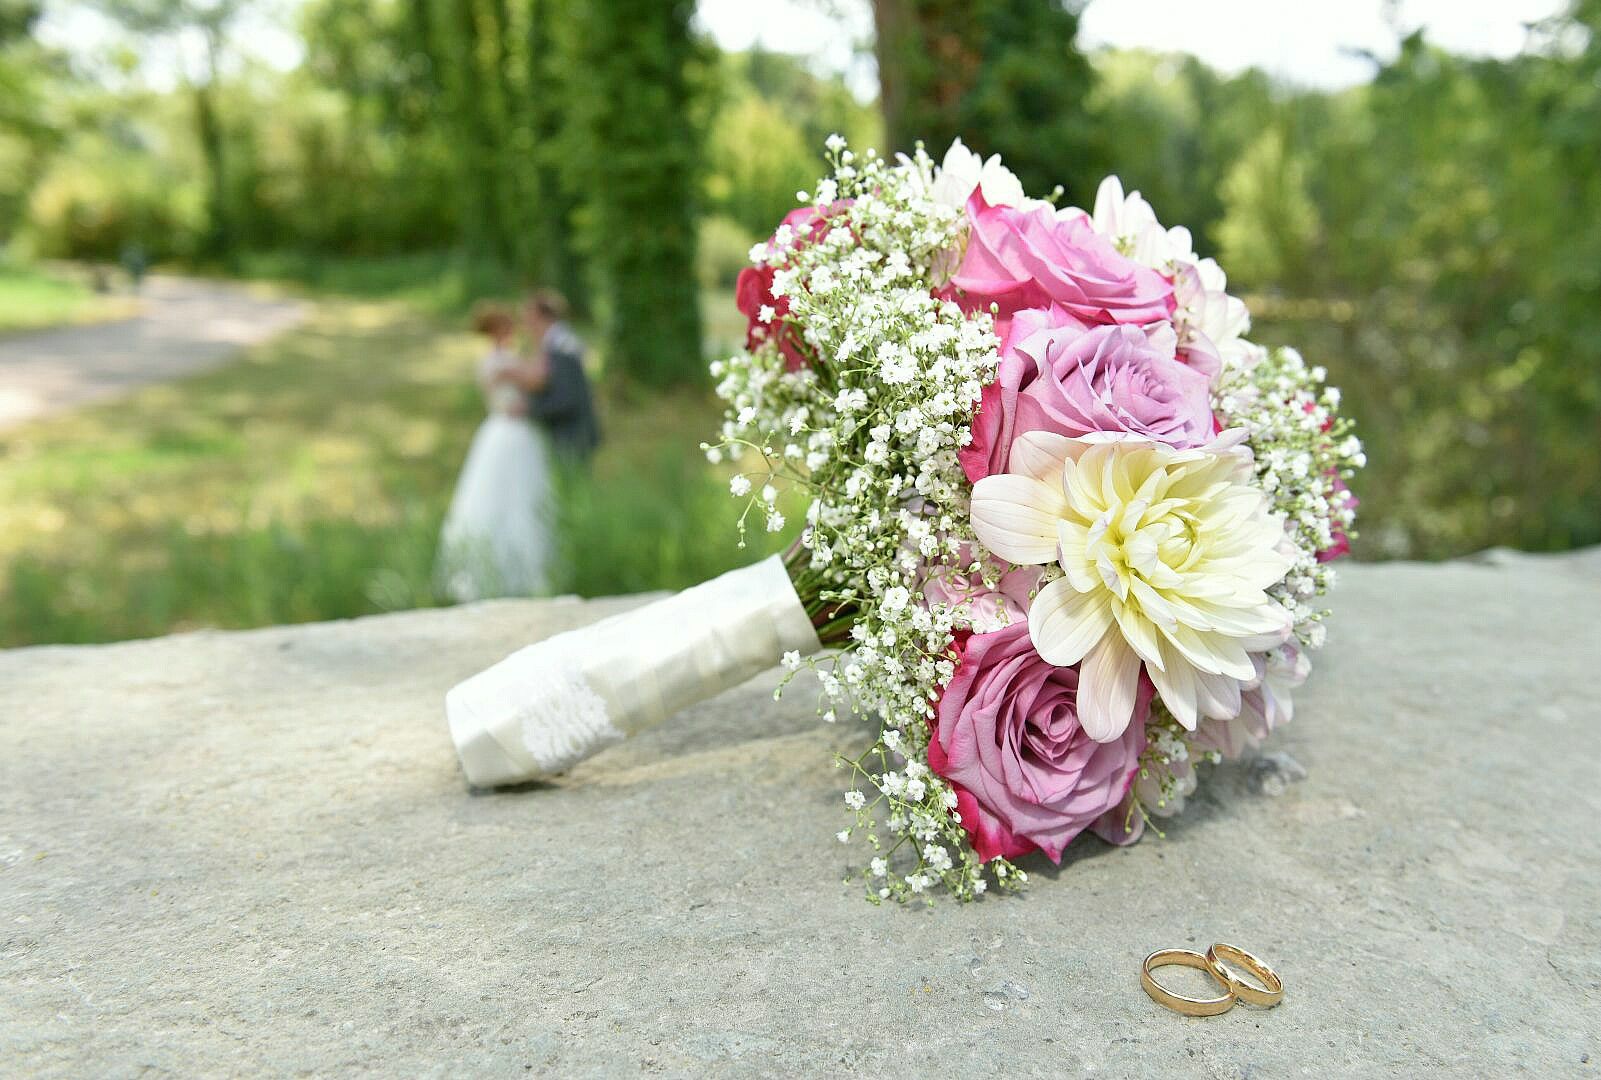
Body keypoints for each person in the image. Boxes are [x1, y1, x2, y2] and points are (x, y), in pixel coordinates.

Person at [436, 303, 554, 601]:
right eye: (508, 326)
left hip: (513, 432)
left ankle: (521, 569)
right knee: (503, 496)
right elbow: (538, 378)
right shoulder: (499, 362)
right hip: (508, 432)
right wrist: (542, 343)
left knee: (522, 497)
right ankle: (500, 571)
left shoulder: (502, 360)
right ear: (497, 330)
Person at [498, 290, 600, 463]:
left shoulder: (563, 345)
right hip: (564, 432)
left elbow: (566, 397)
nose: (525, 324)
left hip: (572, 434)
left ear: (541, 317)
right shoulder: (552, 343)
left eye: (528, 317)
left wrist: (528, 409)